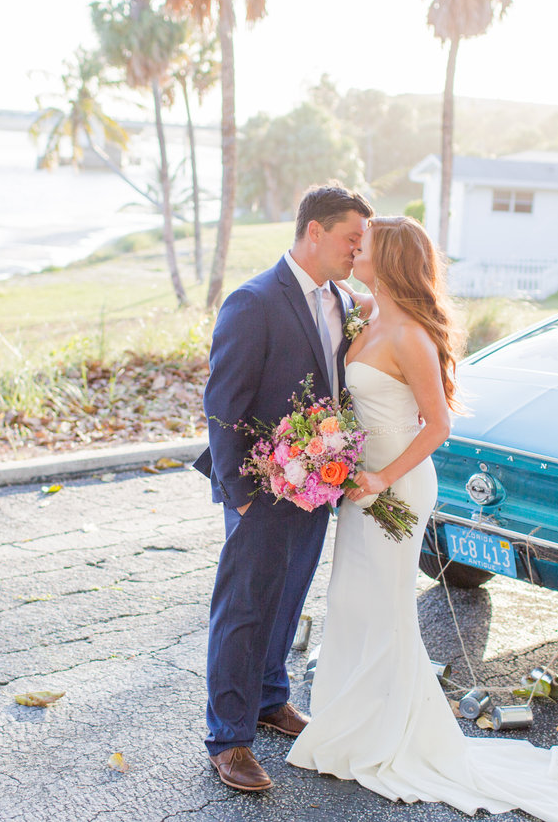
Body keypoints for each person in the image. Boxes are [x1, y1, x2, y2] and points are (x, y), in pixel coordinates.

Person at [287, 216, 558, 821]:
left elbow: (439, 425)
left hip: (393, 485)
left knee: (386, 607)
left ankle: (389, 734)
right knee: (350, 601)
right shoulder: (364, 313)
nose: (354, 250)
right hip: (358, 484)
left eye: (362, 245)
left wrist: (379, 477)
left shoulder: (410, 337)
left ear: (388, 258)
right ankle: (349, 722)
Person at [194, 183, 375, 793]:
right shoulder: (253, 301)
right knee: (245, 609)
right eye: (352, 237)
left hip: (317, 485)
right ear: (315, 231)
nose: (359, 249)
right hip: (260, 490)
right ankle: (229, 739)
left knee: (291, 594)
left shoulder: (345, 302)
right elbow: (222, 405)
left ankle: (271, 700)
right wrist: (239, 494)